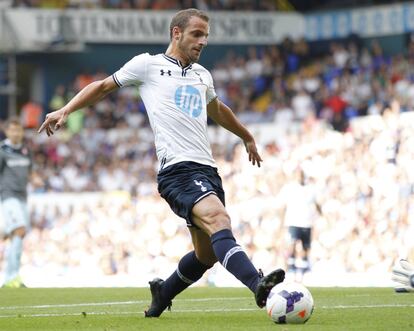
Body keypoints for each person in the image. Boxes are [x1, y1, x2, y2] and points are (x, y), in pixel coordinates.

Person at [38, 8, 285, 316]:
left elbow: (217, 109)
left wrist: (246, 136)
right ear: (176, 33)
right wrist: (67, 110)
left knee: (205, 255)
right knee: (219, 219)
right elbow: (102, 86)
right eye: (197, 34)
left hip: (207, 169)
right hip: (177, 171)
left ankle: (162, 294)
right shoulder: (148, 65)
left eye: (206, 37)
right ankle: (258, 285)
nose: (203, 42)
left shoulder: (202, 75)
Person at [0, 117, 32, 288]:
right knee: (19, 230)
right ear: (7, 132)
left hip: (22, 197)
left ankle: (11, 277)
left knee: (17, 235)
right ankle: (12, 276)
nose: (16, 133)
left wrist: (37, 179)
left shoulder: (26, 150)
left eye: (19, 130)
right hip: (7, 196)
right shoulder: (2, 150)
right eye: (12, 130)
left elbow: (31, 171)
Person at [276, 168, 320, 281]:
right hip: (293, 222)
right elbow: (282, 206)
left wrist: (321, 216)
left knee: (305, 247)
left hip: (307, 223)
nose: (300, 177)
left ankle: (303, 273)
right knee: (292, 245)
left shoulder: (311, 189)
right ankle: (292, 270)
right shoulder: (289, 188)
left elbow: (317, 204)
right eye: (298, 174)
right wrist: (281, 224)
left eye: (301, 174)